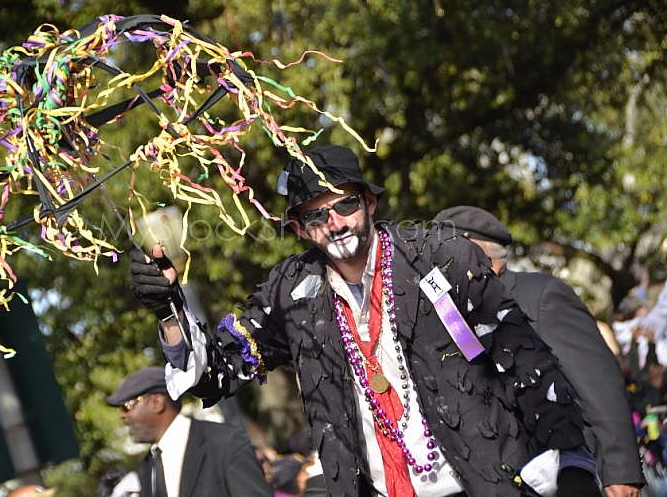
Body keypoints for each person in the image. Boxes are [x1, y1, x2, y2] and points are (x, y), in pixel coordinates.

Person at [129, 144, 602, 496]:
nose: (334, 223)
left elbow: (526, 361)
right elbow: (216, 374)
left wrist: (576, 463)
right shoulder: (290, 291)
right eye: (315, 216)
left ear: (369, 202)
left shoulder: (440, 256)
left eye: (344, 204)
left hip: (488, 483)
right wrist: (169, 308)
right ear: (298, 229)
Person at [432, 205, 645, 497]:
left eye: (446, 250)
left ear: (478, 252)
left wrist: (621, 472)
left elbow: (600, 385)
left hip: (568, 474)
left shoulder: (541, 295)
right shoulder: (454, 315)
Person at [105, 366, 272, 497]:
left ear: (157, 402)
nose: (122, 415)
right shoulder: (147, 468)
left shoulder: (224, 442)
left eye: (127, 406)